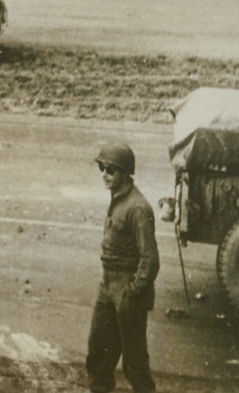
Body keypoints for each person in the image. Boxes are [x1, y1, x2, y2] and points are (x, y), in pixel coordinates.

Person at [86, 142, 159, 393]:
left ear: (125, 174)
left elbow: (150, 259)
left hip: (127, 290)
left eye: (111, 170)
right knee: (99, 353)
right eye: (102, 168)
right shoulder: (118, 199)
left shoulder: (137, 208)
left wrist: (134, 290)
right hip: (108, 285)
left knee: (134, 362)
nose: (105, 175)